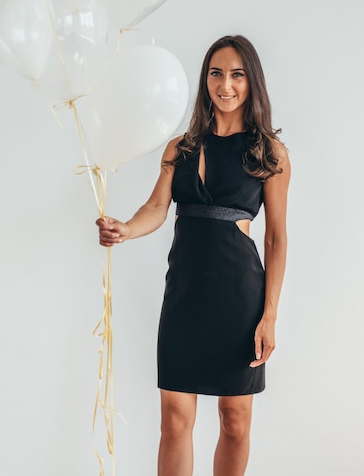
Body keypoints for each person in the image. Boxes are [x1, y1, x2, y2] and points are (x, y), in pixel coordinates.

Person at [96, 34, 291, 476]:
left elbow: (277, 239)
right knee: (174, 420)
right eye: (216, 73)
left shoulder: (269, 153)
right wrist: (125, 228)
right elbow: (155, 208)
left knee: (235, 422)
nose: (226, 85)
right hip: (185, 295)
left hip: (241, 299)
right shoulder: (179, 147)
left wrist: (270, 316)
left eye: (237, 75)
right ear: (205, 80)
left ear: (252, 82)